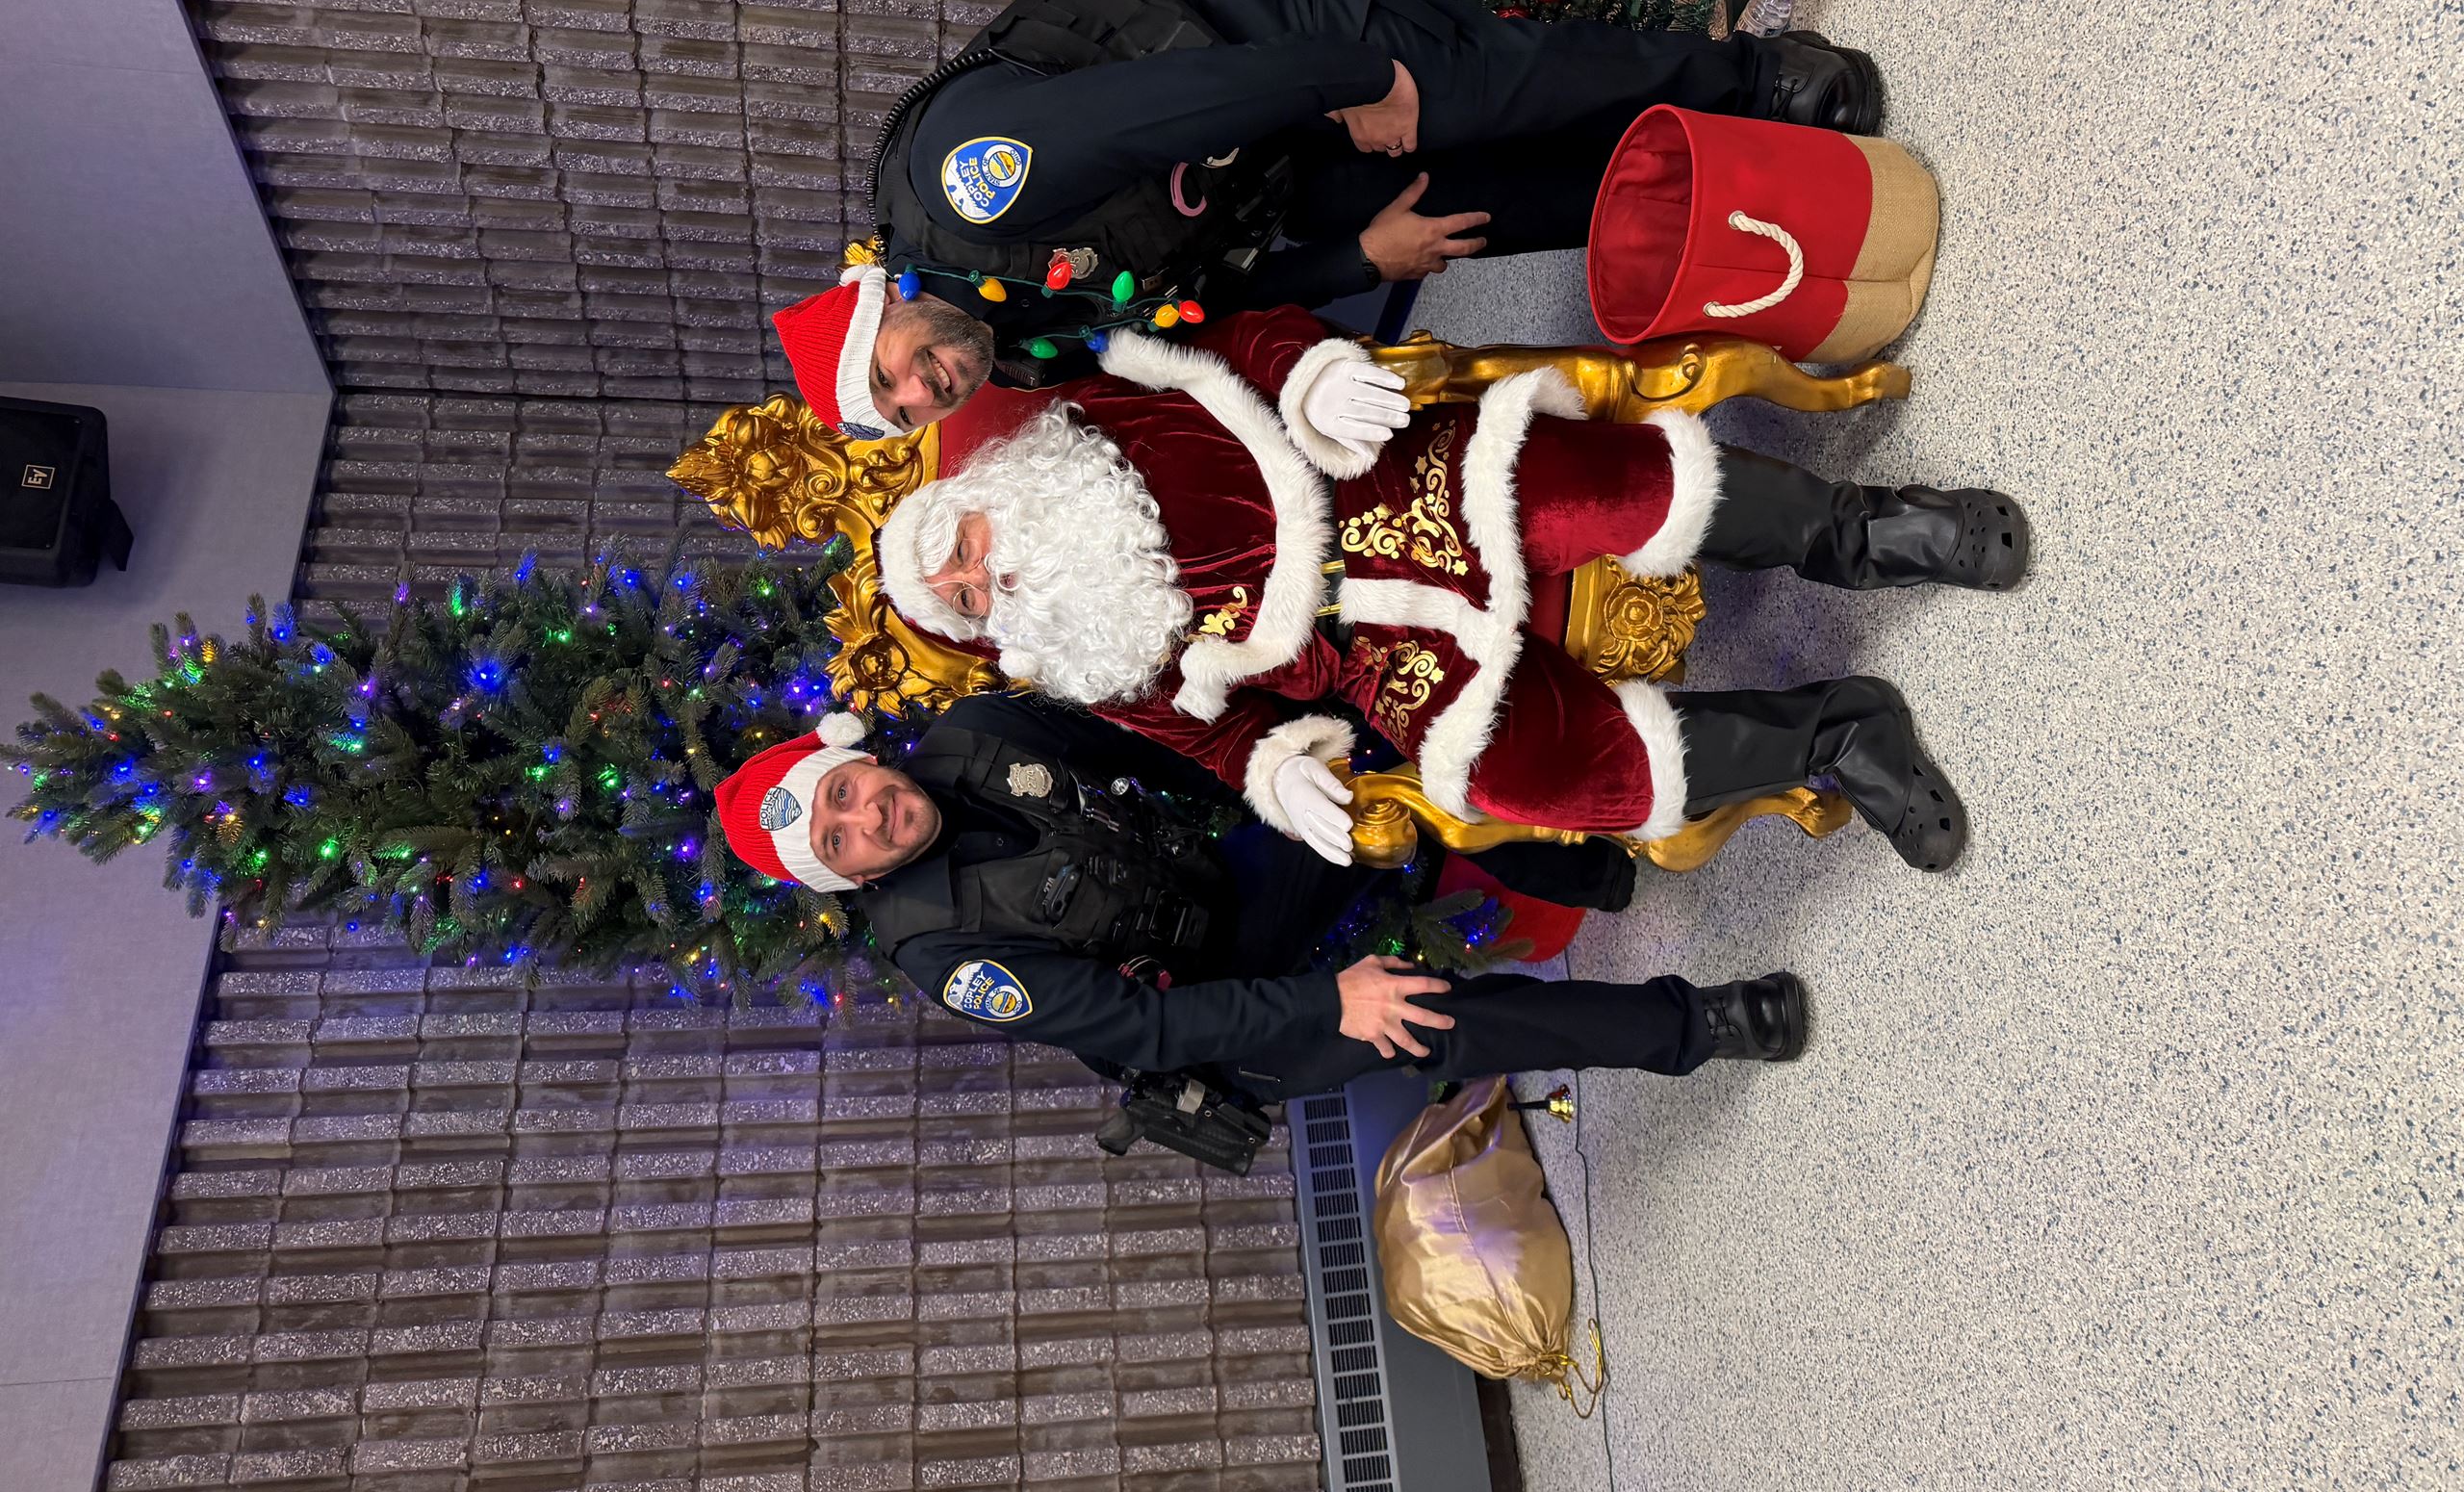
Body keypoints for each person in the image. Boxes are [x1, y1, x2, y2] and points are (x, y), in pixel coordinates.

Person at [819, 302, 2026, 874]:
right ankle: (1839, 736)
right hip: (1371, 657)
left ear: (980, 492)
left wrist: (1304, 378)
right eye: (967, 598)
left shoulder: (1090, 419)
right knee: (1536, 773)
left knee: (1614, 496)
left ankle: (1869, 533)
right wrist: (1270, 770)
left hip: (1394, 489)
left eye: (963, 544)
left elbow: (1243, 344)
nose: (987, 575)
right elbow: (1219, 735)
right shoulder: (1086, 663)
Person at [776, 0, 1886, 430]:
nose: (926, 387)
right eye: (910, 410)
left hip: (1218, 10)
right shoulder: (1015, 348)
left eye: (891, 370)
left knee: (1445, 88)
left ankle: (1749, 77)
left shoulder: (962, 189)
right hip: (1255, 161)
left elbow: (1166, 104)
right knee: (1454, 215)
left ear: (881, 304)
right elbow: (1192, 309)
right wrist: (1358, 256)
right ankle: (1720, 177)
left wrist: (1351, 83)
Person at [710, 696, 1810, 1099]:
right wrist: (1328, 1006)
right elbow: (1142, 1028)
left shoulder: (972, 734)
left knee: (1362, 768)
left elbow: (1163, 752)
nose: (868, 818)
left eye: (845, 791)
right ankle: (1692, 1026)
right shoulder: (937, 950)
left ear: (855, 761)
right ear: (845, 877)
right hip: (1208, 1020)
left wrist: (1280, 775)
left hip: (1218, 888)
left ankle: (1599, 868)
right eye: (839, 839)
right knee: (1417, 1020)